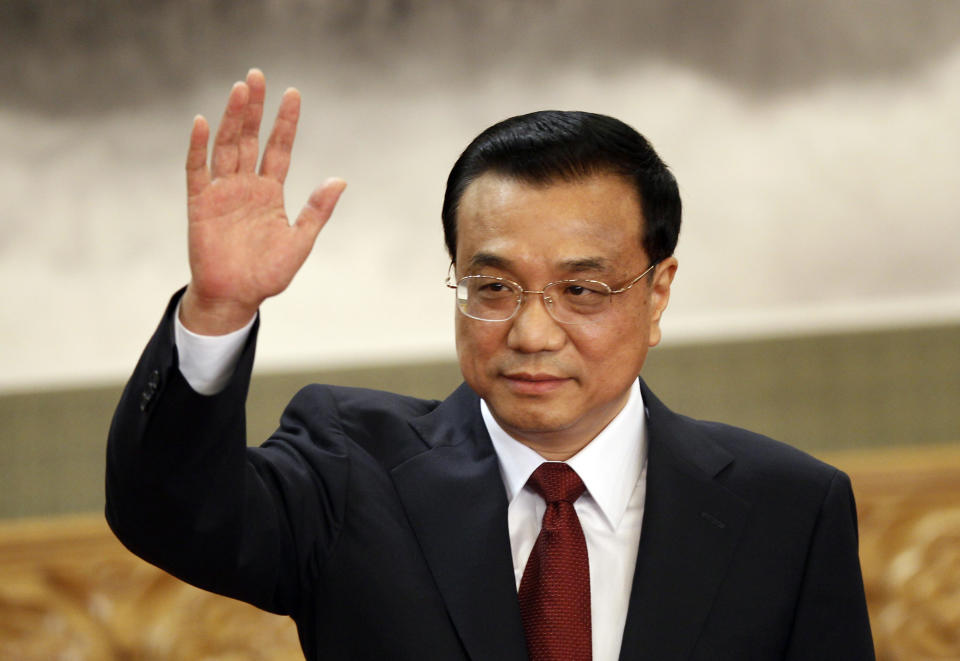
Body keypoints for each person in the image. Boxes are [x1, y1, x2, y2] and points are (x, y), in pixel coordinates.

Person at [106, 68, 875, 660]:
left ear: (658, 293)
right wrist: (219, 311)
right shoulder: (350, 469)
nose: (533, 332)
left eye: (581, 289)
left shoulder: (788, 511)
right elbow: (171, 512)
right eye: (494, 286)